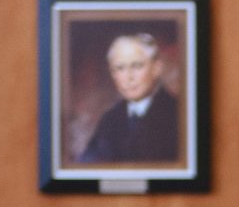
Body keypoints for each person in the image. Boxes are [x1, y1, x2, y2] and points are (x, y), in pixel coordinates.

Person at [76, 32, 183, 164]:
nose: (128, 77)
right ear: (112, 74)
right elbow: (86, 167)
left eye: (137, 66)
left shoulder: (180, 115)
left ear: (156, 68)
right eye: (120, 68)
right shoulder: (110, 119)